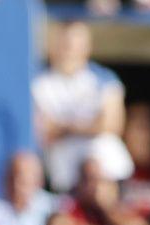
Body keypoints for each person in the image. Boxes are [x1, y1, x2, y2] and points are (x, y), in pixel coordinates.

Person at [31, 21, 130, 194]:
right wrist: (89, 125)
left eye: (76, 45)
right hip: (65, 178)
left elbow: (111, 125)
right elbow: (42, 132)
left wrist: (63, 127)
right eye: (65, 44)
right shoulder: (38, 83)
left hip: (110, 175)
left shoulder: (104, 78)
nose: (70, 50)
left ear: (87, 47)